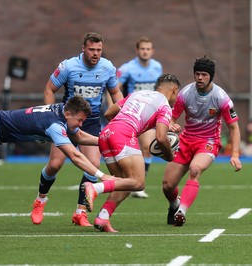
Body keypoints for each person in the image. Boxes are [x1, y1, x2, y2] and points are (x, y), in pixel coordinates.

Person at [30, 32, 123, 226]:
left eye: (99, 50)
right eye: (91, 49)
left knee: (93, 164)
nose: (95, 53)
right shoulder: (68, 66)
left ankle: (80, 212)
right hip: (66, 120)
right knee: (55, 164)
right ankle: (40, 200)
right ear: (83, 48)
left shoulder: (107, 68)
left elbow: (115, 93)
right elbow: (49, 90)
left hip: (91, 122)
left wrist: (123, 116)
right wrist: (48, 118)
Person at [82, 73, 181, 232]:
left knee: (123, 183)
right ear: (175, 90)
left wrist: (118, 129)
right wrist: (170, 156)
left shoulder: (136, 94)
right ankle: (94, 188)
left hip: (106, 133)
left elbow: (108, 114)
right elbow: (161, 138)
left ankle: (103, 218)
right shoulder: (164, 105)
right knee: (138, 183)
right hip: (123, 134)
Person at [163, 56, 243, 226]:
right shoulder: (185, 94)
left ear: (210, 77)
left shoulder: (221, 98)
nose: (200, 77)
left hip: (208, 142)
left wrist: (235, 154)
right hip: (186, 141)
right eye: (197, 74)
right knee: (167, 186)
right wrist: (171, 124)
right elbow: (171, 118)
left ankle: (181, 212)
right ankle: (174, 204)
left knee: (195, 169)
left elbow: (234, 128)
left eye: (204, 75)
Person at [117, 36, 163, 198]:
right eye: (142, 48)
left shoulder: (157, 67)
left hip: (148, 114)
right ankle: (123, 182)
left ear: (152, 51)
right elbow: (115, 87)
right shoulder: (127, 68)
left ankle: (139, 185)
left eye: (148, 49)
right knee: (125, 151)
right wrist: (115, 108)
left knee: (148, 147)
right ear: (137, 51)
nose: (145, 51)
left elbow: (160, 90)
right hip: (130, 115)